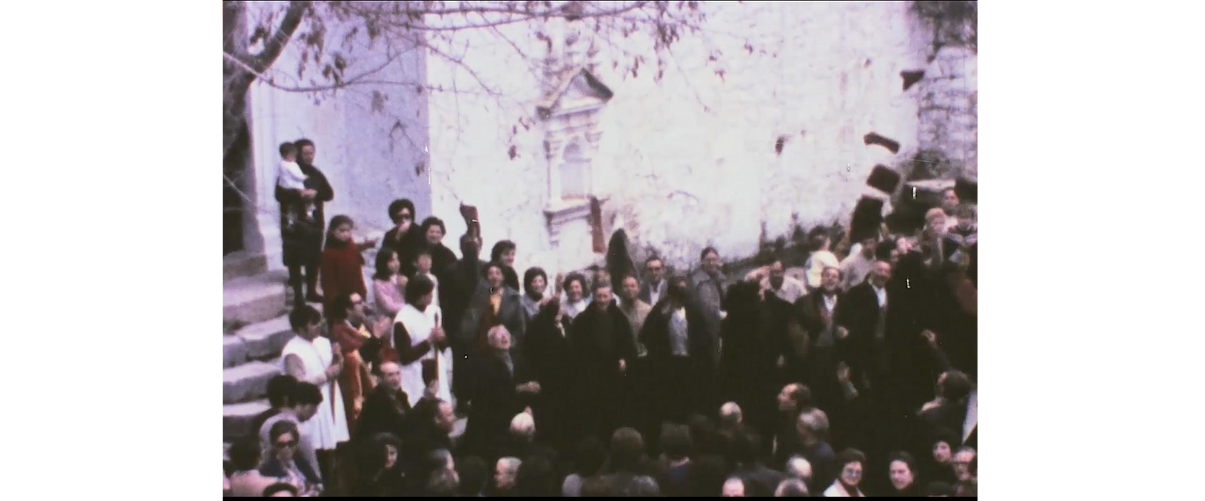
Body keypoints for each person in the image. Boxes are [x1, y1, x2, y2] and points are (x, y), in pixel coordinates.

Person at [280, 306, 349, 484]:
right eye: (313, 324)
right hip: (310, 406)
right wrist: (325, 375)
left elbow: (336, 368)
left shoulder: (322, 342)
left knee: (336, 447)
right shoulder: (293, 352)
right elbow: (297, 384)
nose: (318, 326)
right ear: (300, 328)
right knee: (318, 450)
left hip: (330, 399)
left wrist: (338, 357)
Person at [641, 275, 713, 433]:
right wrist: (662, 318)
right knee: (671, 407)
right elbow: (645, 335)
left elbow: (705, 340)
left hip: (691, 366)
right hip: (668, 367)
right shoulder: (661, 308)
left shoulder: (694, 310)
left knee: (691, 406)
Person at [571, 279, 639, 442]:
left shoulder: (619, 318)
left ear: (610, 297)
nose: (602, 300)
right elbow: (577, 350)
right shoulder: (582, 320)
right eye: (599, 296)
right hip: (592, 379)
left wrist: (625, 359)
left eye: (605, 296)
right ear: (593, 297)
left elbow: (628, 344)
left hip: (615, 377)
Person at [464, 325, 538, 462]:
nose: (504, 337)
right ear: (491, 341)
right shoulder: (483, 362)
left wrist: (528, 406)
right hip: (491, 420)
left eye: (506, 333)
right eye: (499, 335)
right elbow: (491, 391)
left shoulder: (518, 358)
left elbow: (527, 382)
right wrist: (521, 388)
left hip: (514, 414)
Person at [276, 138, 334, 304]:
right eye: (305, 153)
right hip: (294, 222)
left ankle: (310, 291)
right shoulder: (287, 171)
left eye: (311, 153)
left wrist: (316, 193)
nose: (309, 156)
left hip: (313, 223)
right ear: (297, 154)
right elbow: (279, 195)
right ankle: (298, 296)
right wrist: (298, 194)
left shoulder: (315, 173)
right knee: (294, 259)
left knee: (314, 257)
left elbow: (329, 194)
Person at [328, 292, 391, 433]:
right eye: (358, 303)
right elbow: (361, 353)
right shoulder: (339, 329)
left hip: (370, 372)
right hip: (353, 379)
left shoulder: (361, 322)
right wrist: (377, 336)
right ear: (347, 309)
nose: (363, 305)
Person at [522, 297, 575, 450]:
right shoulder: (538, 328)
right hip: (547, 381)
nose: (561, 312)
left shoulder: (565, 323)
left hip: (565, 381)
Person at [393, 275, 451, 408]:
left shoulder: (435, 311)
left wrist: (442, 338)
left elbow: (443, 346)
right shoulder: (402, 320)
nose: (431, 296)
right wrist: (428, 341)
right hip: (415, 374)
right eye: (428, 293)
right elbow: (405, 357)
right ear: (418, 295)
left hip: (436, 367)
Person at [319, 215, 377, 311]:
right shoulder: (328, 253)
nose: (346, 234)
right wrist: (336, 300)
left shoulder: (349, 244)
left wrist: (367, 245)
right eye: (341, 231)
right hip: (340, 296)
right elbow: (328, 282)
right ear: (332, 231)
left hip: (356, 288)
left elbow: (355, 248)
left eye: (348, 231)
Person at [354, 362, 412, 444]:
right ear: (380, 379)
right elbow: (387, 425)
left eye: (398, 374)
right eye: (390, 375)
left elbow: (410, 419)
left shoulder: (401, 396)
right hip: (381, 443)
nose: (396, 379)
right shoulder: (375, 398)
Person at [260, 420, 323, 496]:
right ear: (274, 446)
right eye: (281, 445)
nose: (286, 449)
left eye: (290, 444)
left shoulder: (300, 461)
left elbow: (316, 482)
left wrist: (314, 490)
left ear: (296, 444)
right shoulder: (268, 470)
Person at [690, 247, 729, 364]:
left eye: (714, 259)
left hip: (725, 323)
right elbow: (705, 305)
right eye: (708, 260)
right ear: (702, 261)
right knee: (712, 358)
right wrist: (722, 314)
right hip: (707, 327)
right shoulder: (697, 281)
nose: (711, 263)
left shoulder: (722, 277)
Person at [276, 142, 315, 234]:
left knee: (291, 208)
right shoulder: (290, 165)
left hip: (286, 187)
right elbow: (297, 175)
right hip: (294, 187)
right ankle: (308, 213)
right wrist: (304, 177)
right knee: (308, 198)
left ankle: (290, 221)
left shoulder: (281, 164)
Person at [380, 199, 423, 278]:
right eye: (399, 217)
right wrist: (398, 238)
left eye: (406, 216)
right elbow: (385, 257)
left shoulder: (421, 232)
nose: (403, 220)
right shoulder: (390, 235)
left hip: (417, 277)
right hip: (396, 277)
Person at [372, 248, 407, 318]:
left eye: (397, 259)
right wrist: (409, 308)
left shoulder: (399, 278)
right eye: (392, 260)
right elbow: (389, 307)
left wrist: (407, 285)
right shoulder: (378, 284)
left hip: (404, 316)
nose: (397, 263)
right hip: (388, 320)